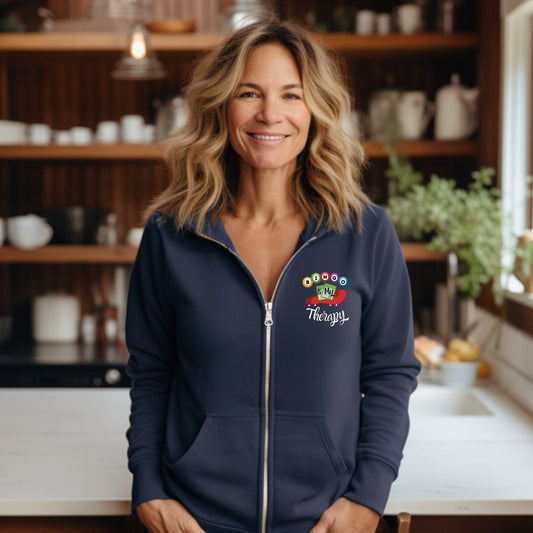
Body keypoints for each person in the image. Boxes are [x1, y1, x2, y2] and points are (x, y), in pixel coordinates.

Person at [125, 18, 420, 533]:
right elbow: (151, 373)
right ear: (222, 105)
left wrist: (369, 496)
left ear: (316, 110)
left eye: (291, 95)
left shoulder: (365, 232)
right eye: (249, 93)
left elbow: (390, 374)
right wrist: (147, 487)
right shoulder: (171, 234)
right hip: (195, 520)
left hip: (325, 522)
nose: (270, 114)